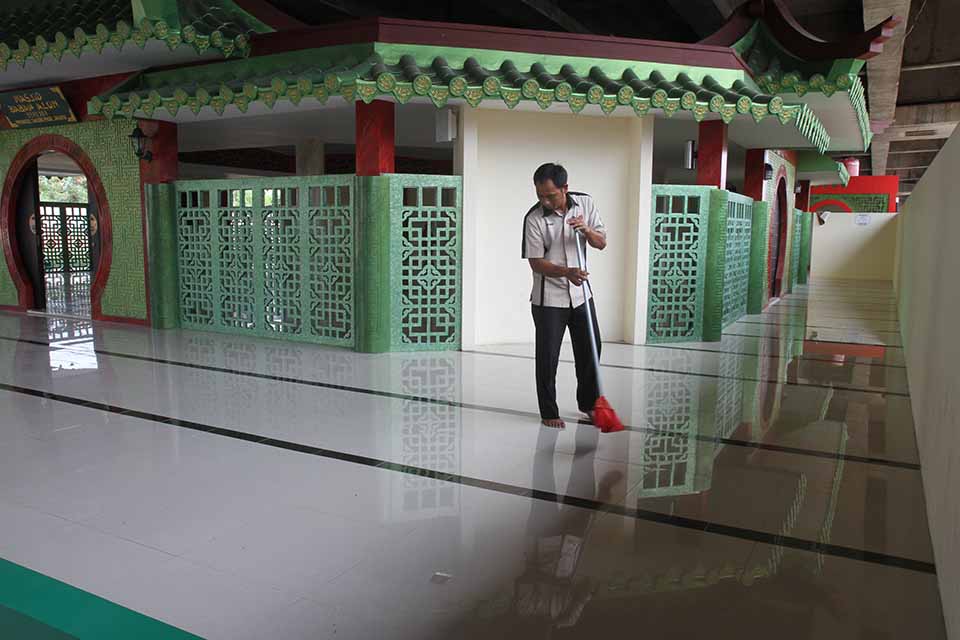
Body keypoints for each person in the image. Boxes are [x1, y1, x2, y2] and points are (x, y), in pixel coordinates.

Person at [521, 163, 607, 428]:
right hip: (549, 301)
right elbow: (536, 262)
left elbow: (601, 242)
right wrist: (566, 272)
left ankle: (590, 404)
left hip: (581, 294)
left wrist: (587, 230)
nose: (545, 200)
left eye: (550, 195)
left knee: (592, 349)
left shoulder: (585, 203)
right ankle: (549, 411)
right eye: (540, 195)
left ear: (564, 188)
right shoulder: (534, 218)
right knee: (548, 357)